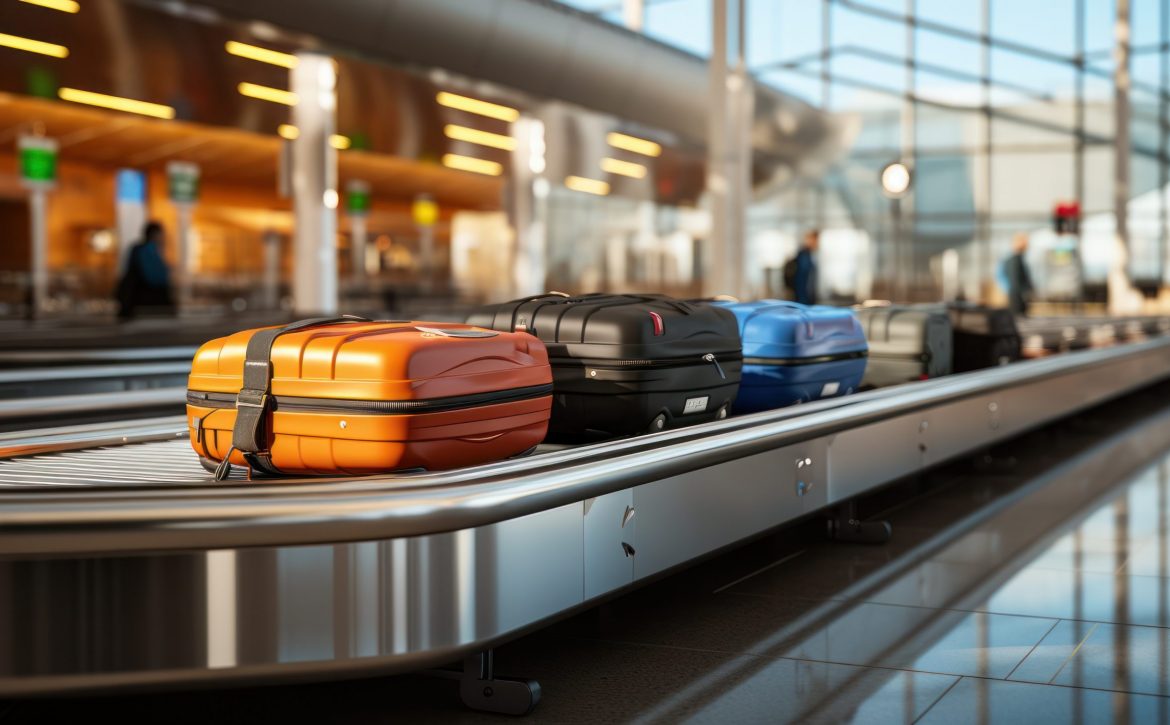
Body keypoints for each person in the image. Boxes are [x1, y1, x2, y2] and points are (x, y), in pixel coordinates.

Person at [116, 220, 175, 319]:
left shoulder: (141, 249)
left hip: (140, 298)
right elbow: (154, 276)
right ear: (155, 235)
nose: (163, 238)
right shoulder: (149, 250)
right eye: (161, 234)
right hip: (147, 298)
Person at [783, 229, 819, 305]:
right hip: (803, 301)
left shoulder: (808, 255)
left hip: (804, 300)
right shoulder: (804, 257)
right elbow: (802, 284)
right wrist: (804, 303)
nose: (818, 244)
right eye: (816, 240)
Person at [1004, 232, 1034, 317]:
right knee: (1018, 318)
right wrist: (1023, 294)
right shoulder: (1015, 260)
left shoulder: (1016, 259)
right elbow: (1015, 282)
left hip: (1016, 295)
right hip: (1017, 296)